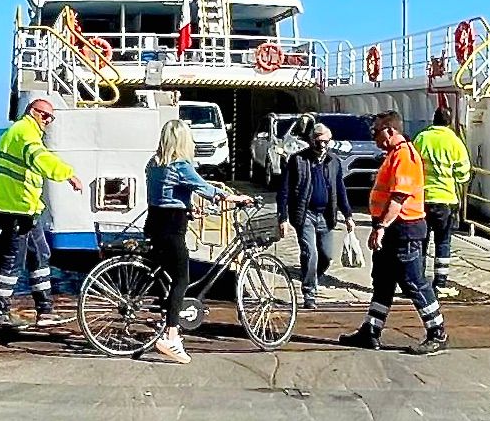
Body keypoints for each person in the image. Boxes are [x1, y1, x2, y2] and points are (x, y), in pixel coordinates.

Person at [339, 110, 448, 355]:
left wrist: (380, 227)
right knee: (383, 282)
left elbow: (399, 197)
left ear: (390, 131)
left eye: (375, 131)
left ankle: (437, 331)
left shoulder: (405, 156)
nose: (373, 136)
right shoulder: (392, 155)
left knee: (413, 282)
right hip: (392, 228)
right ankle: (371, 330)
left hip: (404, 229)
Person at [145, 119, 252, 364]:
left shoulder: (154, 164)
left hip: (155, 223)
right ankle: (172, 335)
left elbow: (166, 194)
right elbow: (206, 189)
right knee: (183, 278)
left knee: (167, 277)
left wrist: (188, 208)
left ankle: (166, 322)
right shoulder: (180, 165)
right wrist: (236, 198)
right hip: (172, 228)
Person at [0, 99, 83, 329]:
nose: (48, 121)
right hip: (15, 210)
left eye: (51, 118)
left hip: (26, 209)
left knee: (40, 255)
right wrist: (68, 175)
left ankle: (45, 311)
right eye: (45, 116)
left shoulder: (15, 134)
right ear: (33, 112)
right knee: (13, 262)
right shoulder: (24, 133)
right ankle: (0, 314)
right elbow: (40, 159)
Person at [277, 122, 355, 309]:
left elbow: (340, 189)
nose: (322, 146)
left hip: (326, 215)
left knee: (326, 256)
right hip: (305, 215)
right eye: (318, 141)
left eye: (325, 142)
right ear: (311, 140)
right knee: (310, 253)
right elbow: (284, 191)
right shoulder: (298, 160)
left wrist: (348, 215)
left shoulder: (334, 161)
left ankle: (311, 276)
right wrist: (283, 217)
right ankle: (309, 293)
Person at [413, 106, 471, 298]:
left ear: (433, 119)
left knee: (421, 241)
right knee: (443, 242)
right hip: (445, 200)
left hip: (422, 199)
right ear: (449, 121)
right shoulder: (454, 142)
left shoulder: (421, 138)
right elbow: (463, 174)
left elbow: (412, 165)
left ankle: (418, 281)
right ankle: (440, 283)